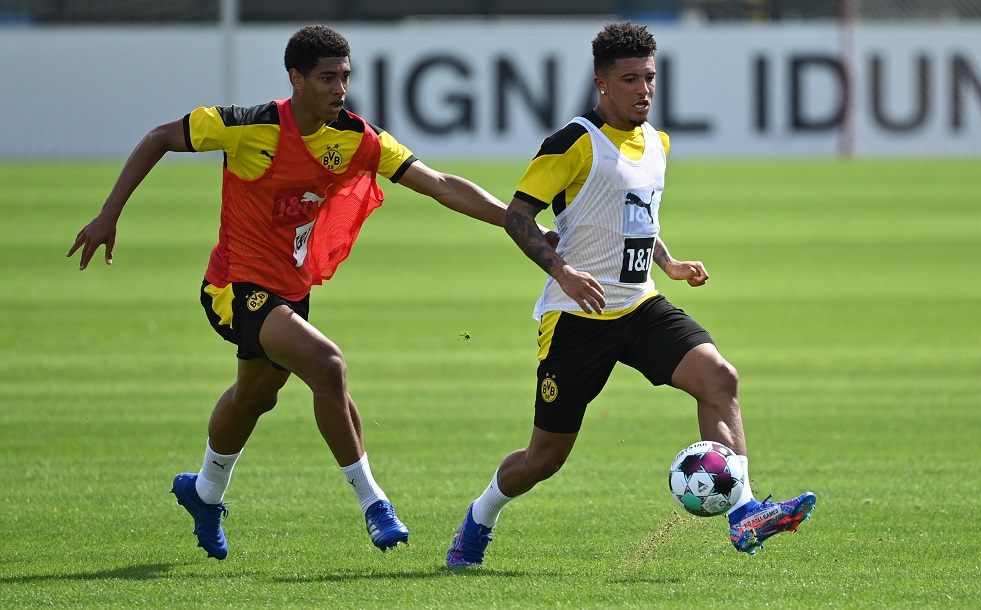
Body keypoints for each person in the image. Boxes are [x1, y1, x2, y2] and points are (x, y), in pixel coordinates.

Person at [68, 24, 548, 561]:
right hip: (234, 286)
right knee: (328, 365)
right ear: (295, 78)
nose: (340, 88)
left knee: (255, 396)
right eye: (327, 78)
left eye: (345, 76)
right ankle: (373, 502)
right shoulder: (249, 127)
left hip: (289, 291)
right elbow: (160, 136)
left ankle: (204, 492)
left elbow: (439, 184)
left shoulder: (356, 137)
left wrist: (516, 221)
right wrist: (108, 215)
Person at [445, 21, 816, 568]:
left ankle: (744, 513)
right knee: (545, 458)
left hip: (639, 305)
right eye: (629, 80)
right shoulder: (572, 143)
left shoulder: (657, 142)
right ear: (601, 84)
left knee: (720, 378)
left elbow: (635, 217)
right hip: (577, 315)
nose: (644, 90)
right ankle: (479, 518)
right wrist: (563, 272)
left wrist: (669, 262)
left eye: (650, 77)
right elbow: (518, 217)